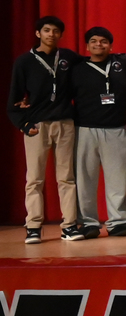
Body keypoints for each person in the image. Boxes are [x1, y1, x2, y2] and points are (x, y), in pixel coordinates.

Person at [8, 16, 85, 243]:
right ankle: (33, 226)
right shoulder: (24, 62)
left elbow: (94, 64)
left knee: (67, 178)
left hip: (65, 124)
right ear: (38, 33)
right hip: (37, 126)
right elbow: (13, 101)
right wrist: (23, 124)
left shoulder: (68, 57)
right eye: (47, 30)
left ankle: (69, 225)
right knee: (35, 179)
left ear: (61, 35)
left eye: (56, 31)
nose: (51, 34)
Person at [69, 27, 126, 239]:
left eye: (104, 41)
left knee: (118, 180)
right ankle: (88, 223)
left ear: (111, 45)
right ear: (87, 46)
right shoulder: (76, 68)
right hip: (84, 130)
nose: (99, 45)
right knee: (85, 180)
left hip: (116, 130)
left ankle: (118, 222)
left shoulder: (122, 63)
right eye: (94, 41)